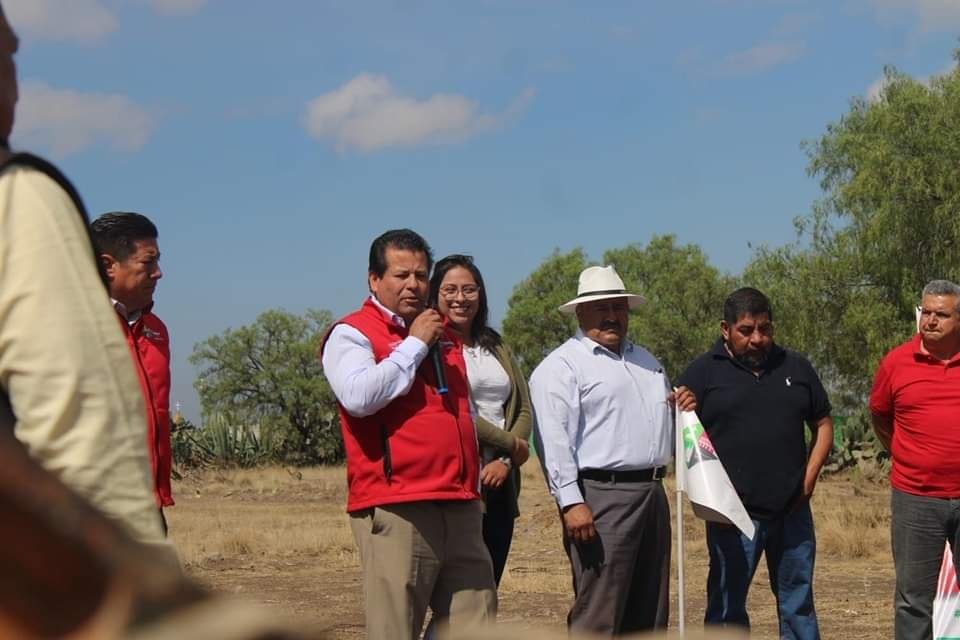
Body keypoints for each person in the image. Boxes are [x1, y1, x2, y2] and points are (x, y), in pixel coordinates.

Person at [0, 2, 166, 547]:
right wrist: (140, 577)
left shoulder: (155, 331)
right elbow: (84, 434)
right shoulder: (18, 197)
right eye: (7, 56)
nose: (17, 85)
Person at [319, 229, 496, 640]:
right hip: (398, 505)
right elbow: (360, 396)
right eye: (401, 275)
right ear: (373, 279)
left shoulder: (443, 335)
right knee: (395, 628)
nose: (414, 285)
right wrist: (414, 345)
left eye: (420, 275)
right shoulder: (352, 333)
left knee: (476, 619)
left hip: (459, 502)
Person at [529, 265, 696, 635]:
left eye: (619, 308)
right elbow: (553, 440)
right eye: (602, 308)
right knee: (600, 610)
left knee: (649, 611)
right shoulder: (560, 367)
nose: (611, 316)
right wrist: (571, 502)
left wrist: (680, 407)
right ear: (580, 312)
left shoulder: (647, 361)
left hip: (652, 494)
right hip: (601, 497)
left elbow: (658, 423)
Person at [678, 287, 832, 640]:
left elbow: (823, 424)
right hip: (732, 517)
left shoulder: (795, 366)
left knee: (798, 605)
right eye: (746, 330)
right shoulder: (703, 372)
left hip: (792, 513)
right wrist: (680, 404)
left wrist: (809, 479)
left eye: (765, 329)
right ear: (725, 329)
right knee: (726, 610)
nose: (758, 338)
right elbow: (681, 434)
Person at [428, 254, 533, 586]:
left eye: (469, 289)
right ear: (435, 295)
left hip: (501, 482)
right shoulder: (432, 347)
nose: (461, 298)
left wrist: (505, 460)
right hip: (461, 483)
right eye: (451, 290)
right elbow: (453, 413)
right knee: (456, 593)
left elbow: (523, 408)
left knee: (489, 587)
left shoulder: (495, 344)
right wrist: (512, 445)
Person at [870, 279, 960, 639]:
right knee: (912, 601)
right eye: (926, 312)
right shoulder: (896, 363)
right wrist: (909, 455)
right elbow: (880, 415)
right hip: (916, 499)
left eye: (942, 314)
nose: (931, 321)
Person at [91, 212, 174, 527]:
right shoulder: (71, 325)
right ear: (108, 265)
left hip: (148, 508)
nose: (158, 274)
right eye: (147, 263)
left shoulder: (156, 329)